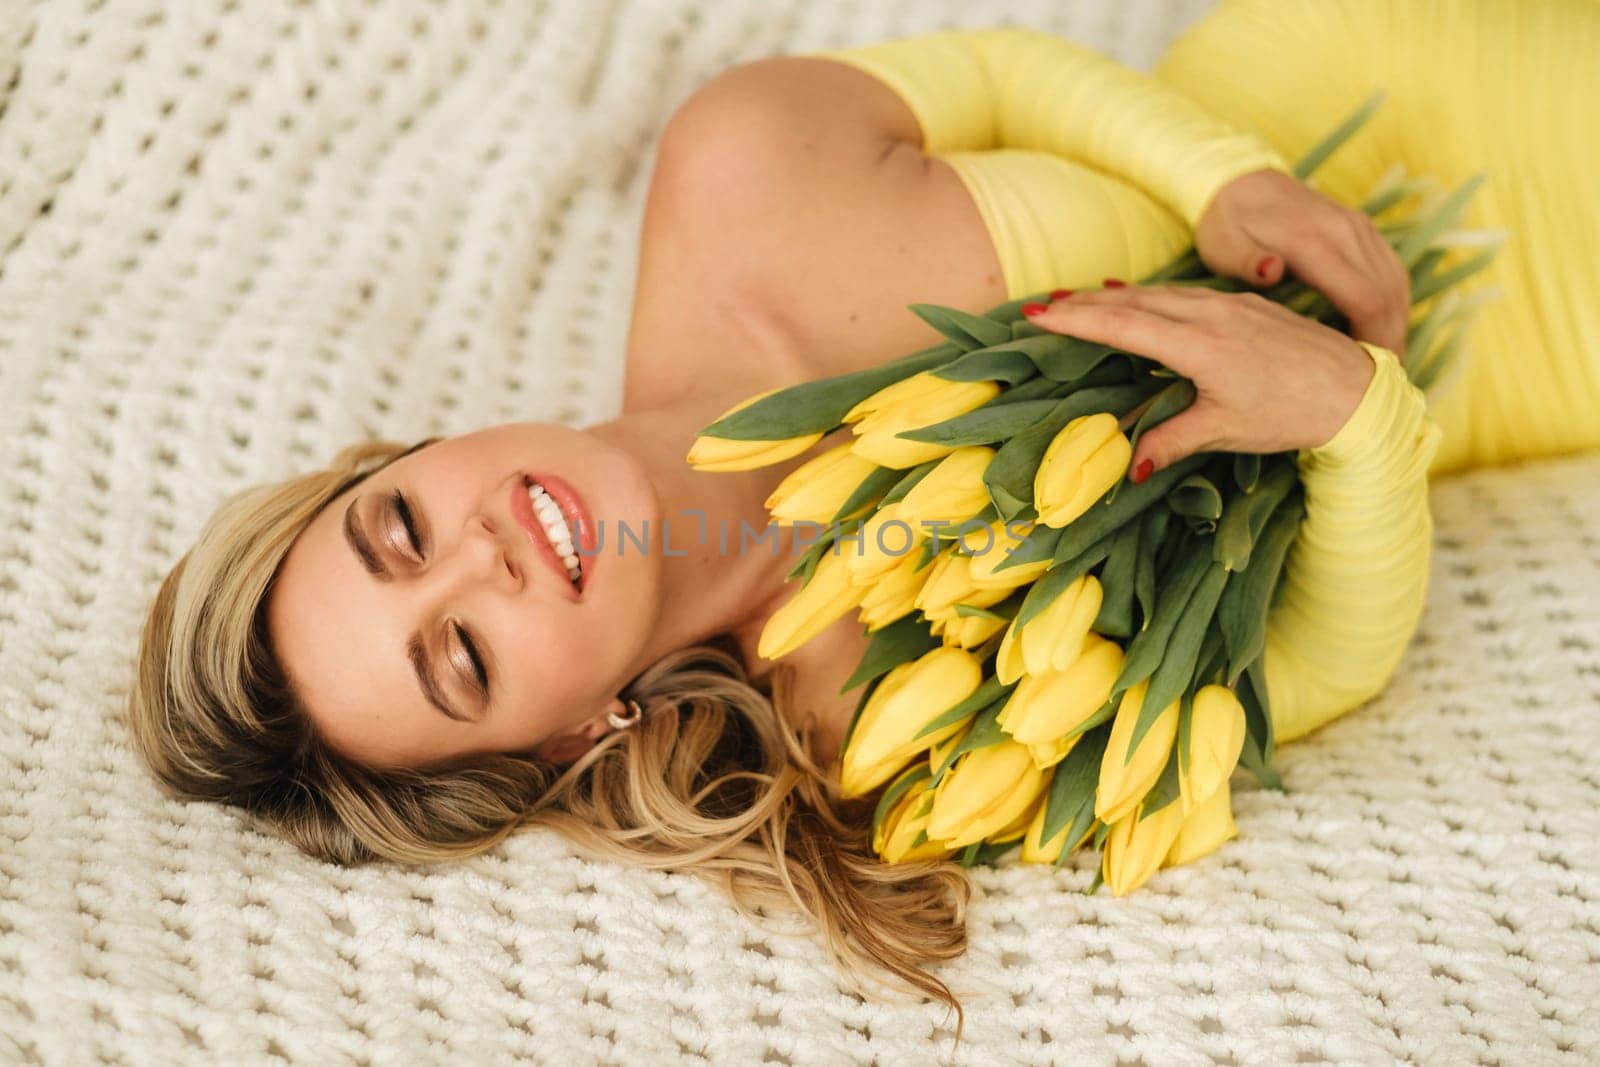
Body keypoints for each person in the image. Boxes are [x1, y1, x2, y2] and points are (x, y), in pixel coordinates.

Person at [125, 0, 1599, 1038]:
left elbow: (1010, 74)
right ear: (570, 736)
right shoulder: (878, 729)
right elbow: (1303, 674)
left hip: (1365, 55)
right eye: (463, 656)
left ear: (414, 453)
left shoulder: (734, 169)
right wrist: (1353, 415)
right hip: (1535, 366)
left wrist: (1229, 184)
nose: (483, 555)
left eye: (398, 529)